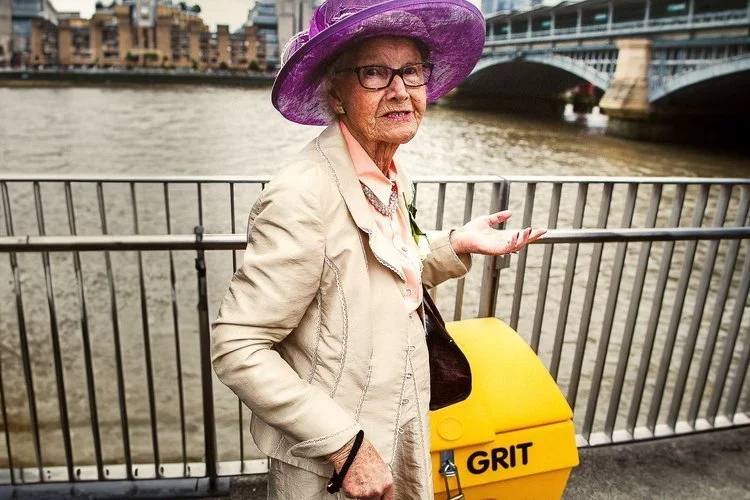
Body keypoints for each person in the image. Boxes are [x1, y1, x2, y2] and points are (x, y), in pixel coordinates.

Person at [211, 0, 545, 498]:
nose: (400, 91)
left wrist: (454, 243)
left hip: (403, 417)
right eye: (374, 73)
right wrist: (345, 446)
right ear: (337, 93)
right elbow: (237, 346)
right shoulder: (300, 196)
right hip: (334, 459)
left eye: (411, 72)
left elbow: (379, 267)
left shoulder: (389, 172)